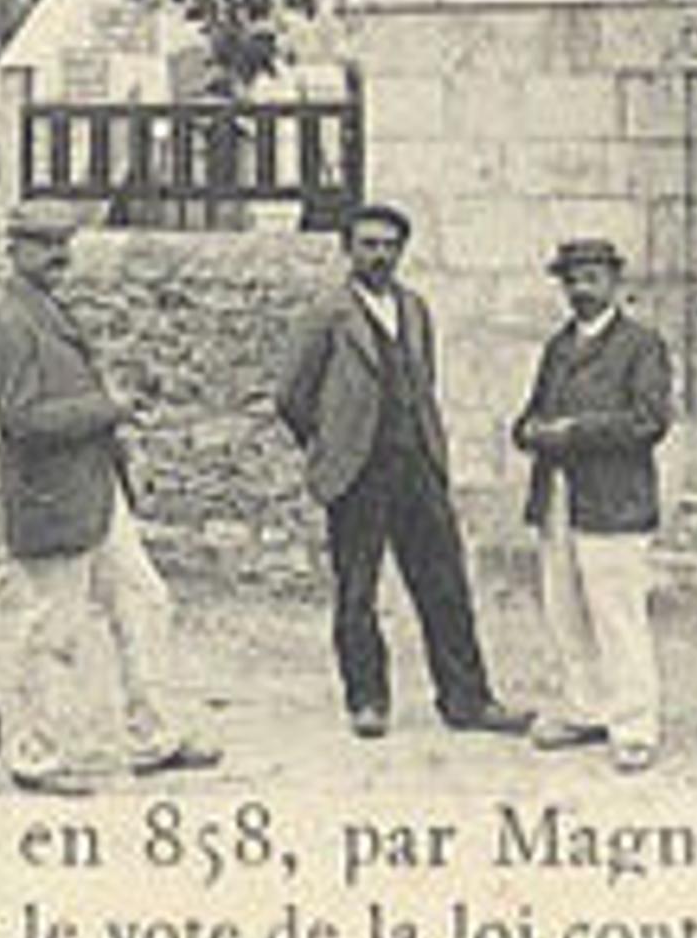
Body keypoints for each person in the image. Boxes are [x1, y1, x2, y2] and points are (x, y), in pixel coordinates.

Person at [0, 198, 220, 793]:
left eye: (64, 245)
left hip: (94, 489)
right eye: (43, 244)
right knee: (51, 629)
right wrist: (111, 406)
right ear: (15, 249)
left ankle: (153, 735)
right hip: (52, 497)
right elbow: (22, 419)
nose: (59, 256)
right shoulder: (10, 321)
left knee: (144, 599)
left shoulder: (45, 310)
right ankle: (36, 756)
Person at [275, 203, 531, 738]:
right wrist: (332, 447)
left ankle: (467, 701)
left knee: (445, 585)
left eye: (390, 245)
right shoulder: (327, 312)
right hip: (358, 472)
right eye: (368, 244)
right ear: (348, 250)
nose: (380, 255)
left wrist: (429, 449)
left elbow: (422, 384)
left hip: (416, 466)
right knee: (358, 591)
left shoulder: (415, 309)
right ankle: (367, 701)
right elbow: (292, 396)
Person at [511, 237, 668, 771]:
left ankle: (634, 726)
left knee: (617, 613)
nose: (581, 288)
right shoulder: (558, 347)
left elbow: (649, 421)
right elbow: (530, 413)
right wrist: (529, 431)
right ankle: (585, 708)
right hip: (557, 497)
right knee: (566, 611)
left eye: (592, 278)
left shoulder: (641, 345)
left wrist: (574, 431)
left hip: (614, 501)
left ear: (614, 283)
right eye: (572, 279)